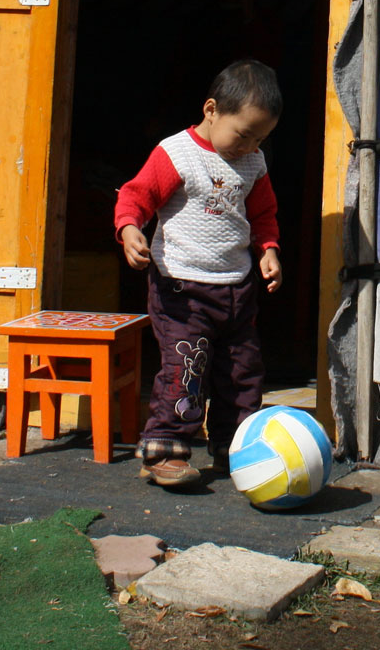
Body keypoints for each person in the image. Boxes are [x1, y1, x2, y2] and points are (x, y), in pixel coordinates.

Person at [115, 59, 283, 487]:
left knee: (241, 371)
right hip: (181, 287)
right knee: (185, 369)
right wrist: (130, 227)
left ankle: (237, 448)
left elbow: (262, 213)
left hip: (236, 288)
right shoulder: (177, 153)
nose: (248, 145)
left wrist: (268, 249)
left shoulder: (254, 163)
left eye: (260, 138)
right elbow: (138, 195)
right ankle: (165, 450)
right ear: (211, 110)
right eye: (243, 134)